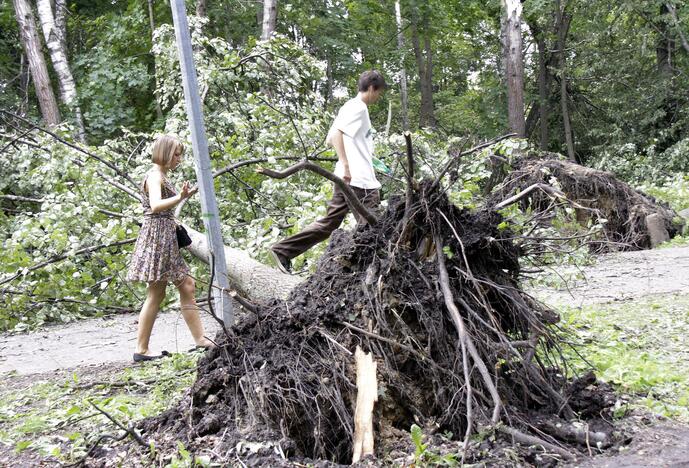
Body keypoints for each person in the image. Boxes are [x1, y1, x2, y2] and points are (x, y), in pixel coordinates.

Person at [270, 70, 386, 274]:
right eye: (379, 92)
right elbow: (336, 135)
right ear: (371, 88)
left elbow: (334, 135)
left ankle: (283, 251)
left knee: (330, 223)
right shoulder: (358, 107)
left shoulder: (349, 107)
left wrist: (370, 159)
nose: (379, 97)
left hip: (347, 177)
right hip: (358, 181)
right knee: (372, 226)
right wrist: (346, 163)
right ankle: (366, 271)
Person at [127, 135, 214, 362]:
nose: (179, 159)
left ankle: (200, 340)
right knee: (160, 291)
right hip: (157, 239)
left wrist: (183, 196)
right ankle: (142, 349)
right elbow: (156, 206)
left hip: (163, 237)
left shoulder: (160, 175)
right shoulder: (155, 176)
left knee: (185, 285)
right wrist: (180, 197)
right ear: (165, 153)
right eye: (176, 154)